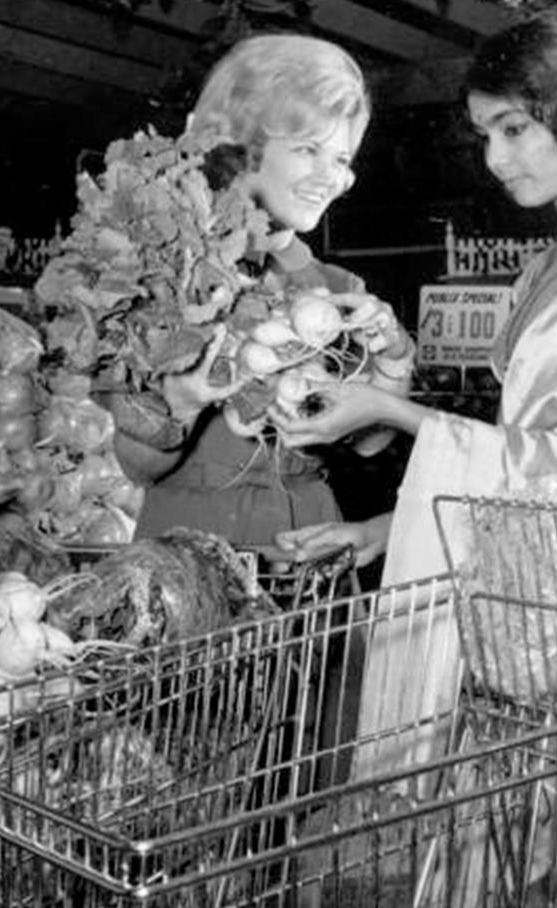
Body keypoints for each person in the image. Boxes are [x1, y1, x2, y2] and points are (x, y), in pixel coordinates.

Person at [271, 8, 557, 776]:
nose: (495, 157)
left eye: (514, 129)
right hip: (540, 606)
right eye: (485, 134)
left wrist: (392, 410)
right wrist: (394, 525)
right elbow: (539, 469)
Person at [106, 32, 410, 549]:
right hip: (190, 543)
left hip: (309, 540)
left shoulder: (337, 290)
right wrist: (179, 402)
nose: (332, 177)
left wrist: (394, 358)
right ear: (241, 148)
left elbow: (369, 443)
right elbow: (137, 467)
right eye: (309, 150)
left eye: (342, 158)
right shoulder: (162, 274)